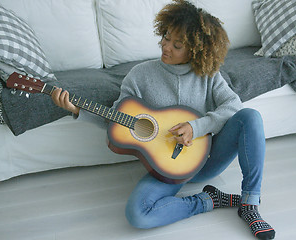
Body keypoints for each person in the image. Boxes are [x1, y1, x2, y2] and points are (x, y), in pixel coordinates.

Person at [51, 0, 275, 239]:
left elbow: (233, 106)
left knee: (250, 117)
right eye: (166, 37)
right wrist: (77, 110)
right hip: (168, 169)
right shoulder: (140, 75)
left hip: (209, 159)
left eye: (177, 45)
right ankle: (207, 200)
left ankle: (249, 204)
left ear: (195, 50)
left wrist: (196, 127)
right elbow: (115, 120)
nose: (166, 46)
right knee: (137, 214)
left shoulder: (208, 74)